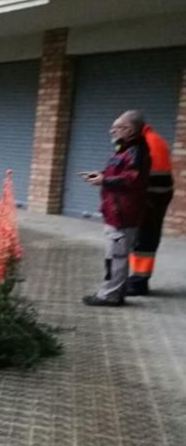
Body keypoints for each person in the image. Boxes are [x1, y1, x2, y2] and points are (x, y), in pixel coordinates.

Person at [81, 110, 151, 307]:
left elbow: (133, 179)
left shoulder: (135, 151)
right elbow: (116, 172)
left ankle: (109, 295)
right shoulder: (125, 149)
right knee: (114, 256)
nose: (112, 131)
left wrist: (105, 180)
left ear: (129, 130)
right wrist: (100, 175)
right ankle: (114, 292)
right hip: (116, 212)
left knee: (116, 258)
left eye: (117, 127)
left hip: (123, 214)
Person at [127, 119, 174, 295]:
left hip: (151, 198)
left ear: (132, 129)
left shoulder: (148, 142)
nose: (114, 131)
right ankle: (138, 279)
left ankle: (139, 282)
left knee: (144, 240)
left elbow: (144, 175)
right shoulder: (151, 139)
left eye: (121, 128)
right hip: (155, 196)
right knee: (144, 238)